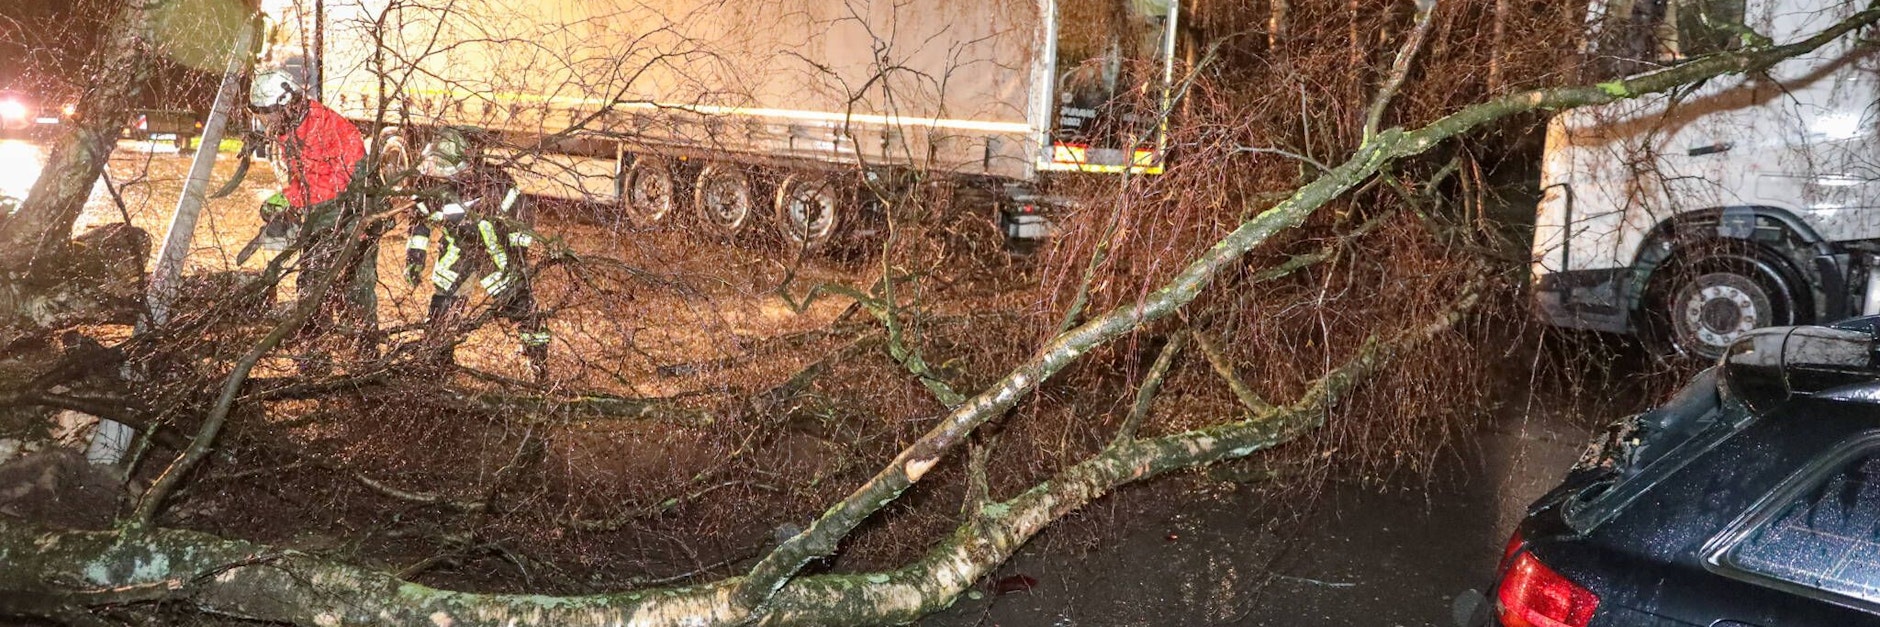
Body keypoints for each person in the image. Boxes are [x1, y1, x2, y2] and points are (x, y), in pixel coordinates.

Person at [249, 67, 379, 365]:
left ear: (287, 102)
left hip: (352, 216)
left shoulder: (331, 127)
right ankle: (312, 362)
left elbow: (342, 184)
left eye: (268, 113)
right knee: (310, 288)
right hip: (322, 217)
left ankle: (365, 361)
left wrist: (296, 199)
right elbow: (303, 179)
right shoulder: (289, 132)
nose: (266, 121)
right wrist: (288, 204)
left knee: (356, 291)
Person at [403, 127, 551, 380]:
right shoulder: (428, 187)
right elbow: (420, 224)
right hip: (456, 254)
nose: (440, 175)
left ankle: (539, 364)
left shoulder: (495, 183)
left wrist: (519, 252)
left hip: (497, 255)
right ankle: (438, 363)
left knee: (521, 307)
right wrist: (415, 259)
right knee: (443, 308)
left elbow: (522, 216)